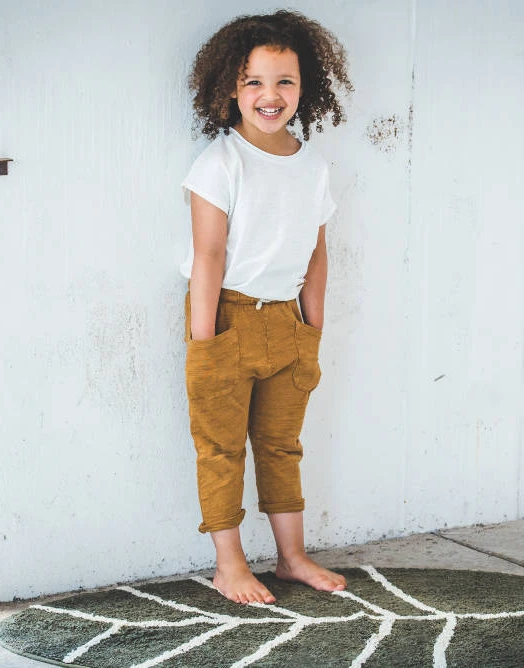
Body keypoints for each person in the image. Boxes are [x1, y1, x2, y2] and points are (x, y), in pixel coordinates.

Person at [179, 10, 352, 605]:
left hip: (286, 322)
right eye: (253, 81)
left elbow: (317, 251)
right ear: (231, 87)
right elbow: (208, 256)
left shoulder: (313, 166)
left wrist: (313, 329)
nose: (269, 95)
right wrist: (204, 344)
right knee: (221, 448)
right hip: (225, 319)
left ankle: (292, 557)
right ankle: (229, 564)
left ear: (305, 88)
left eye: (284, 82)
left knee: (281, 445)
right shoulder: (220, 163)